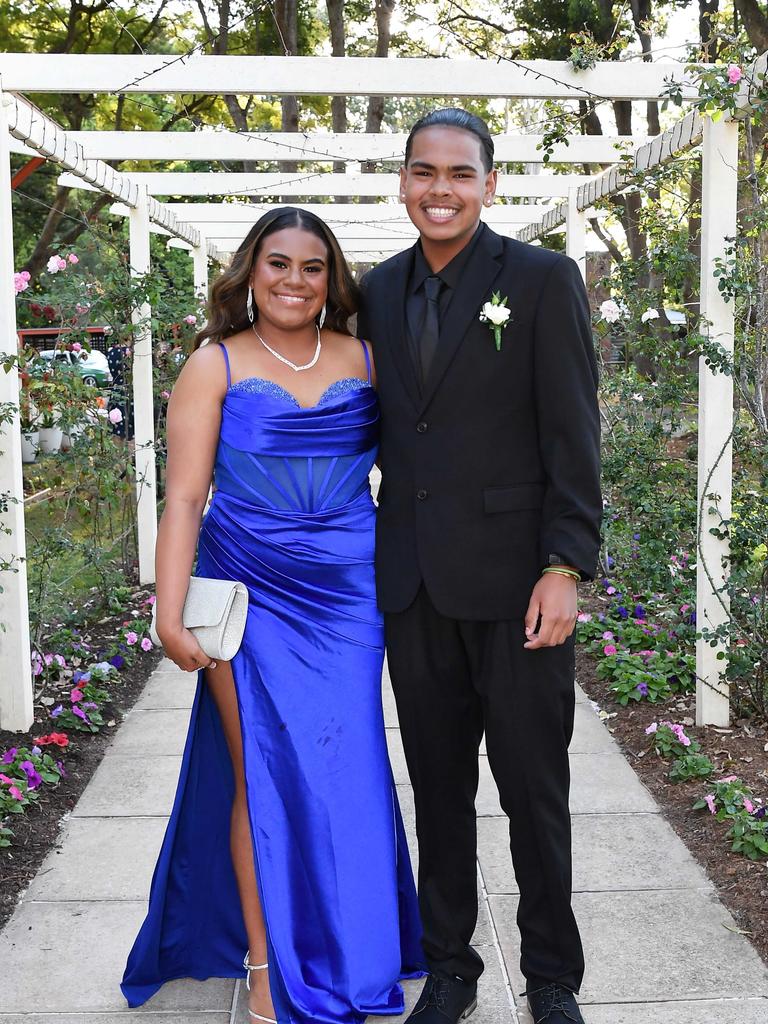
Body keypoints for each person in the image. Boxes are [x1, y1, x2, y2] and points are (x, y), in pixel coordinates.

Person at [121, 207, 424, 1023]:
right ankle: (265, 963)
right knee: (261, 772)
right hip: (247, 588)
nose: (295, 280)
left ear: (334, 280)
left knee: (350, 766)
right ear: (250, 271)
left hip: (348, 589)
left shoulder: (367, 358)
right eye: (278, 263)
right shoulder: (213, 365)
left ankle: (360, 954)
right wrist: (169, 608)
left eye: (313, 267)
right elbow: (184, 498)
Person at [358, 109, 602, 1024]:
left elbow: (573, 434)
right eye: (423, 172)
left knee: (535, 788)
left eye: (459, 174)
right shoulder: (375, 291)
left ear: (489, 185)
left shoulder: (539, 280)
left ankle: (551, 979)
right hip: (413, 584)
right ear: (404, 182)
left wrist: (565, 564)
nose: (440, 190)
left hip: (517, 585)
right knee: (440, 788)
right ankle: (449, 965)